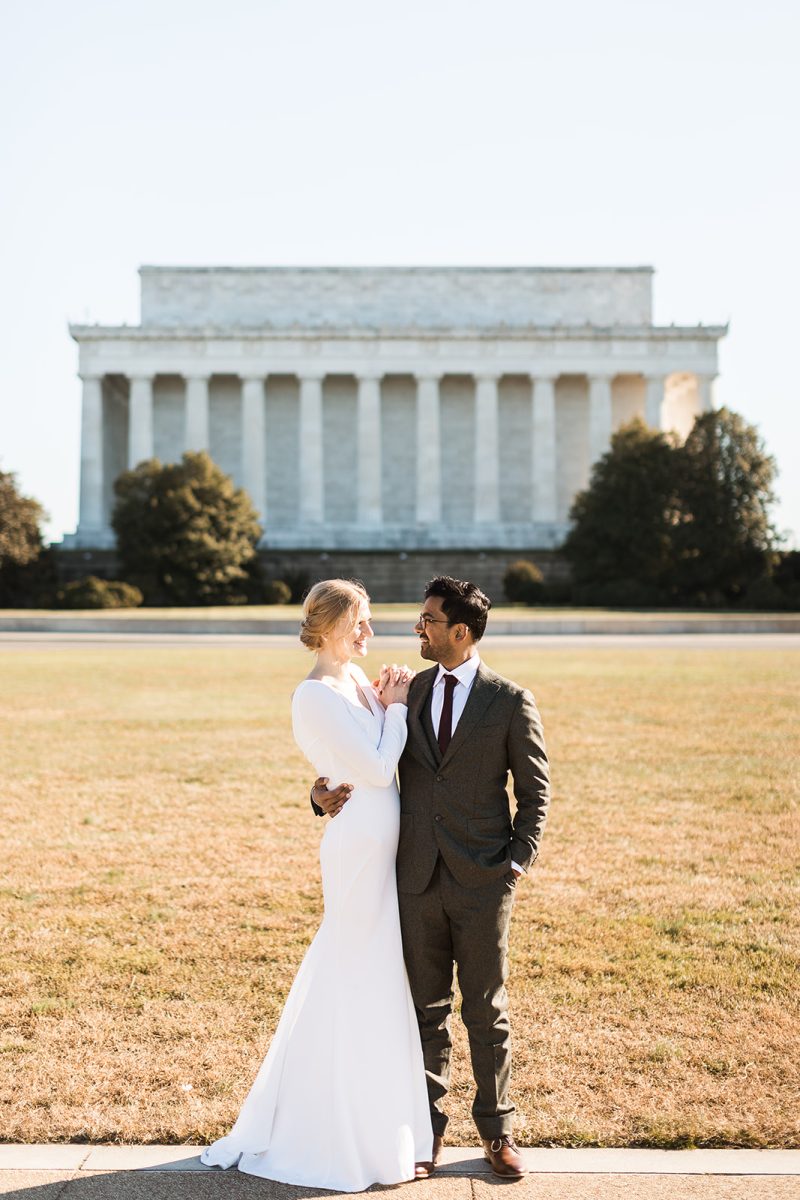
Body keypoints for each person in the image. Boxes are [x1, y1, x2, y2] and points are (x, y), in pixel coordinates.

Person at [313, 576, 550, 1180]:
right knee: (424, 1010)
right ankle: (426, 1132)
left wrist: (515, 863)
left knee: (486, 1011)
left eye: (428, 620)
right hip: (413, 877)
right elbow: (353, 756)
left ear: (460, 632)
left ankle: (497, 1131)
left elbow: (535, 792)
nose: (418, 627)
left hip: (483, 880)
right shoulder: (405, 692)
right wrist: (318, 795)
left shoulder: (509, 700)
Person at [202, 578, 433, 1192]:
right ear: (330, 627)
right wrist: (396, 706)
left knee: (379, 975)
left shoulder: (354, 679)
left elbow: (367, 757)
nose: (370, 632)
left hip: (384, 844)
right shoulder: (314, 696)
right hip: (356, 848)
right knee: (353, 971)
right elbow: (377, 769)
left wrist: (382, 699)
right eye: (361, 622)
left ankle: (380, 1121)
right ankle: (330, 1128)